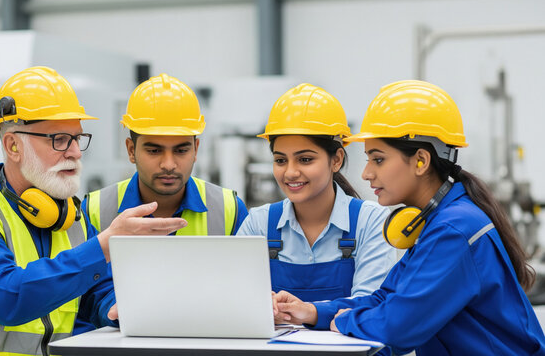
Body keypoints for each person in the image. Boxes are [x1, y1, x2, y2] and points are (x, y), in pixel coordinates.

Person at [0, 66, 187, 356]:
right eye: (59, 140)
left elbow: (96, 293)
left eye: (77, 139)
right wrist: (103, 245)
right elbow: (6, 297)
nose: (75, 153)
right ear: (13, 145)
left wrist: (120, 309)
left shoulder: (70, 217)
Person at [273, 80, 545, 355]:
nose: (366, 173)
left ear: (421, 161)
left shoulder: (453, 230)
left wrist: (341, 320)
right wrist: (311, 312)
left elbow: (397, 327)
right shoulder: (438, 222)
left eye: (377, 159)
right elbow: (385, 298)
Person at [82, 73, 248, 323]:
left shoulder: (229, 209)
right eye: (154, 150)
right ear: (130, 150)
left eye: (181, 150)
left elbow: (246, 295)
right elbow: (82, 304)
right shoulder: (94, 209)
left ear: (196, 150)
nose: (169, 164)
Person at [237, 83, 395, 310]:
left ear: (336, 160)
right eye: (281, 160)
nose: (290, 172)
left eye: (305, 159)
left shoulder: (370, 221)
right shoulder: (258, 224)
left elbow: (370, 306)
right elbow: (240, 302)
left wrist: (307, 312)